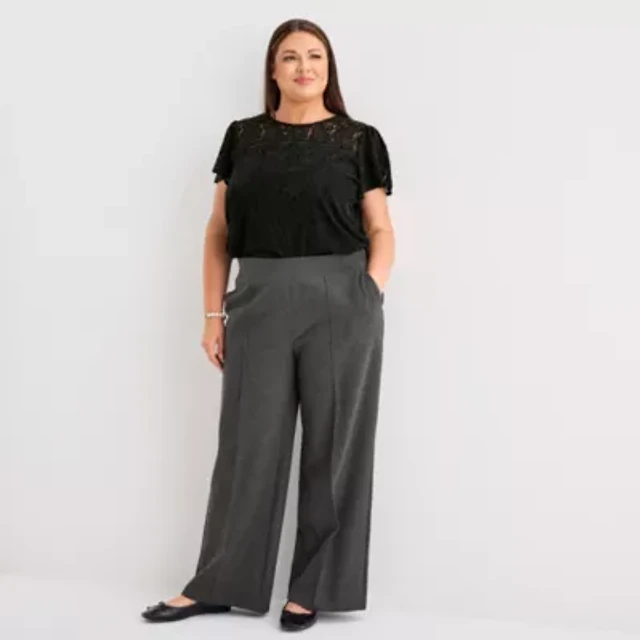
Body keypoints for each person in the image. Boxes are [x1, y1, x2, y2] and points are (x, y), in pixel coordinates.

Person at [141, 17, 394, 633]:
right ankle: (219, 582)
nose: (304, 66)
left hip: (342, 298)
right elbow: (218, 231)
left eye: (315, 56)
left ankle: (314, 589)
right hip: (256, 299)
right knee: (246, 447)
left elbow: (380, 227)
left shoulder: (358, 139)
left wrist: (368, 291)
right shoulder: (244, 137)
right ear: (273, 70)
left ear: (329, 68)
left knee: (335, 449)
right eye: (290, 57)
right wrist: (212, 314)